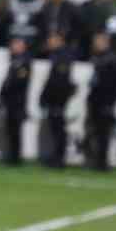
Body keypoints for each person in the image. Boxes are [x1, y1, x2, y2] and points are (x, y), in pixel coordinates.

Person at [83, 31, 116, 171]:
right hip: (94, 100)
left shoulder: (112, 59)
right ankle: (94, 160)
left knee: (103, 133)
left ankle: (102, 162)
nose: (96, 44)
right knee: (93, 131)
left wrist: (111, 101)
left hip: (104, 101)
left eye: (99, 41)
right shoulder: (97, 57)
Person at [38, 30, 76, 168]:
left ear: (60, 40)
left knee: (59, 129)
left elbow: (59, 81)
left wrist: (49, 97)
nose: (49, 42)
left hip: (58, 99)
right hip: (55, 98)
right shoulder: (57, 56)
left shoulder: (63, 57)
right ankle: (56, 156)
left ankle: (59, 158)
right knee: (55, 129)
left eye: (52, 39)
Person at [0, 36, 33, 165]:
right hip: (11, 101)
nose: (13, 47)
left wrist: (6, 91)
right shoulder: (15, 60)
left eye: (16, 44)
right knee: (11, 130)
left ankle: (15, 158)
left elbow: (18, 82)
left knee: (15, 131)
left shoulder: (24, 61)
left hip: (17, 101)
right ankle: (11, 156)